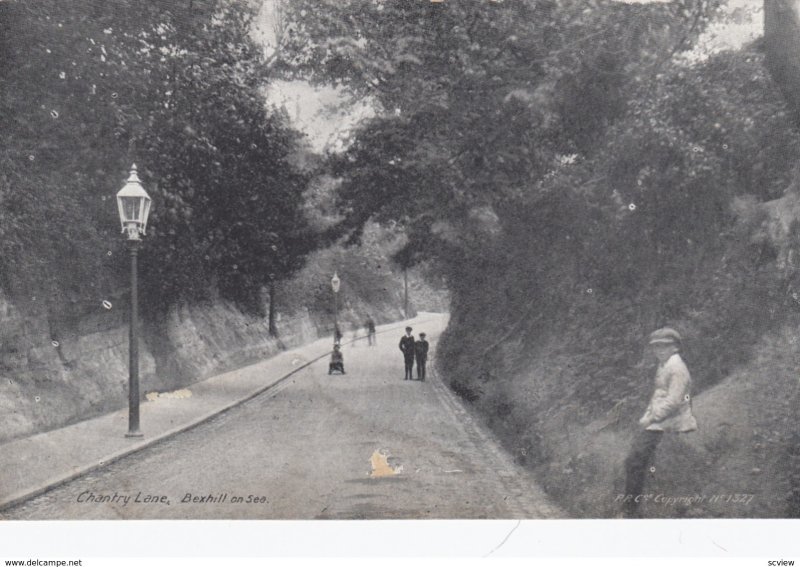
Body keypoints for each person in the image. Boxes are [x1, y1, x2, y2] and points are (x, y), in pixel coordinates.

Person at [621, 327, 697, 518]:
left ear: (675, 348)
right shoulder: (664, 365)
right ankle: (632, 507)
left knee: (635, 460)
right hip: (659, 420)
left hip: (672, 420)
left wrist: (651, 418)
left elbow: (673, 401)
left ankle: (631, 510)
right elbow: (657, 395)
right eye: (655, 347)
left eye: (663, 346)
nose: (658, 351)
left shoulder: (677, 368)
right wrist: (646, 417)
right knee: (633, 459)